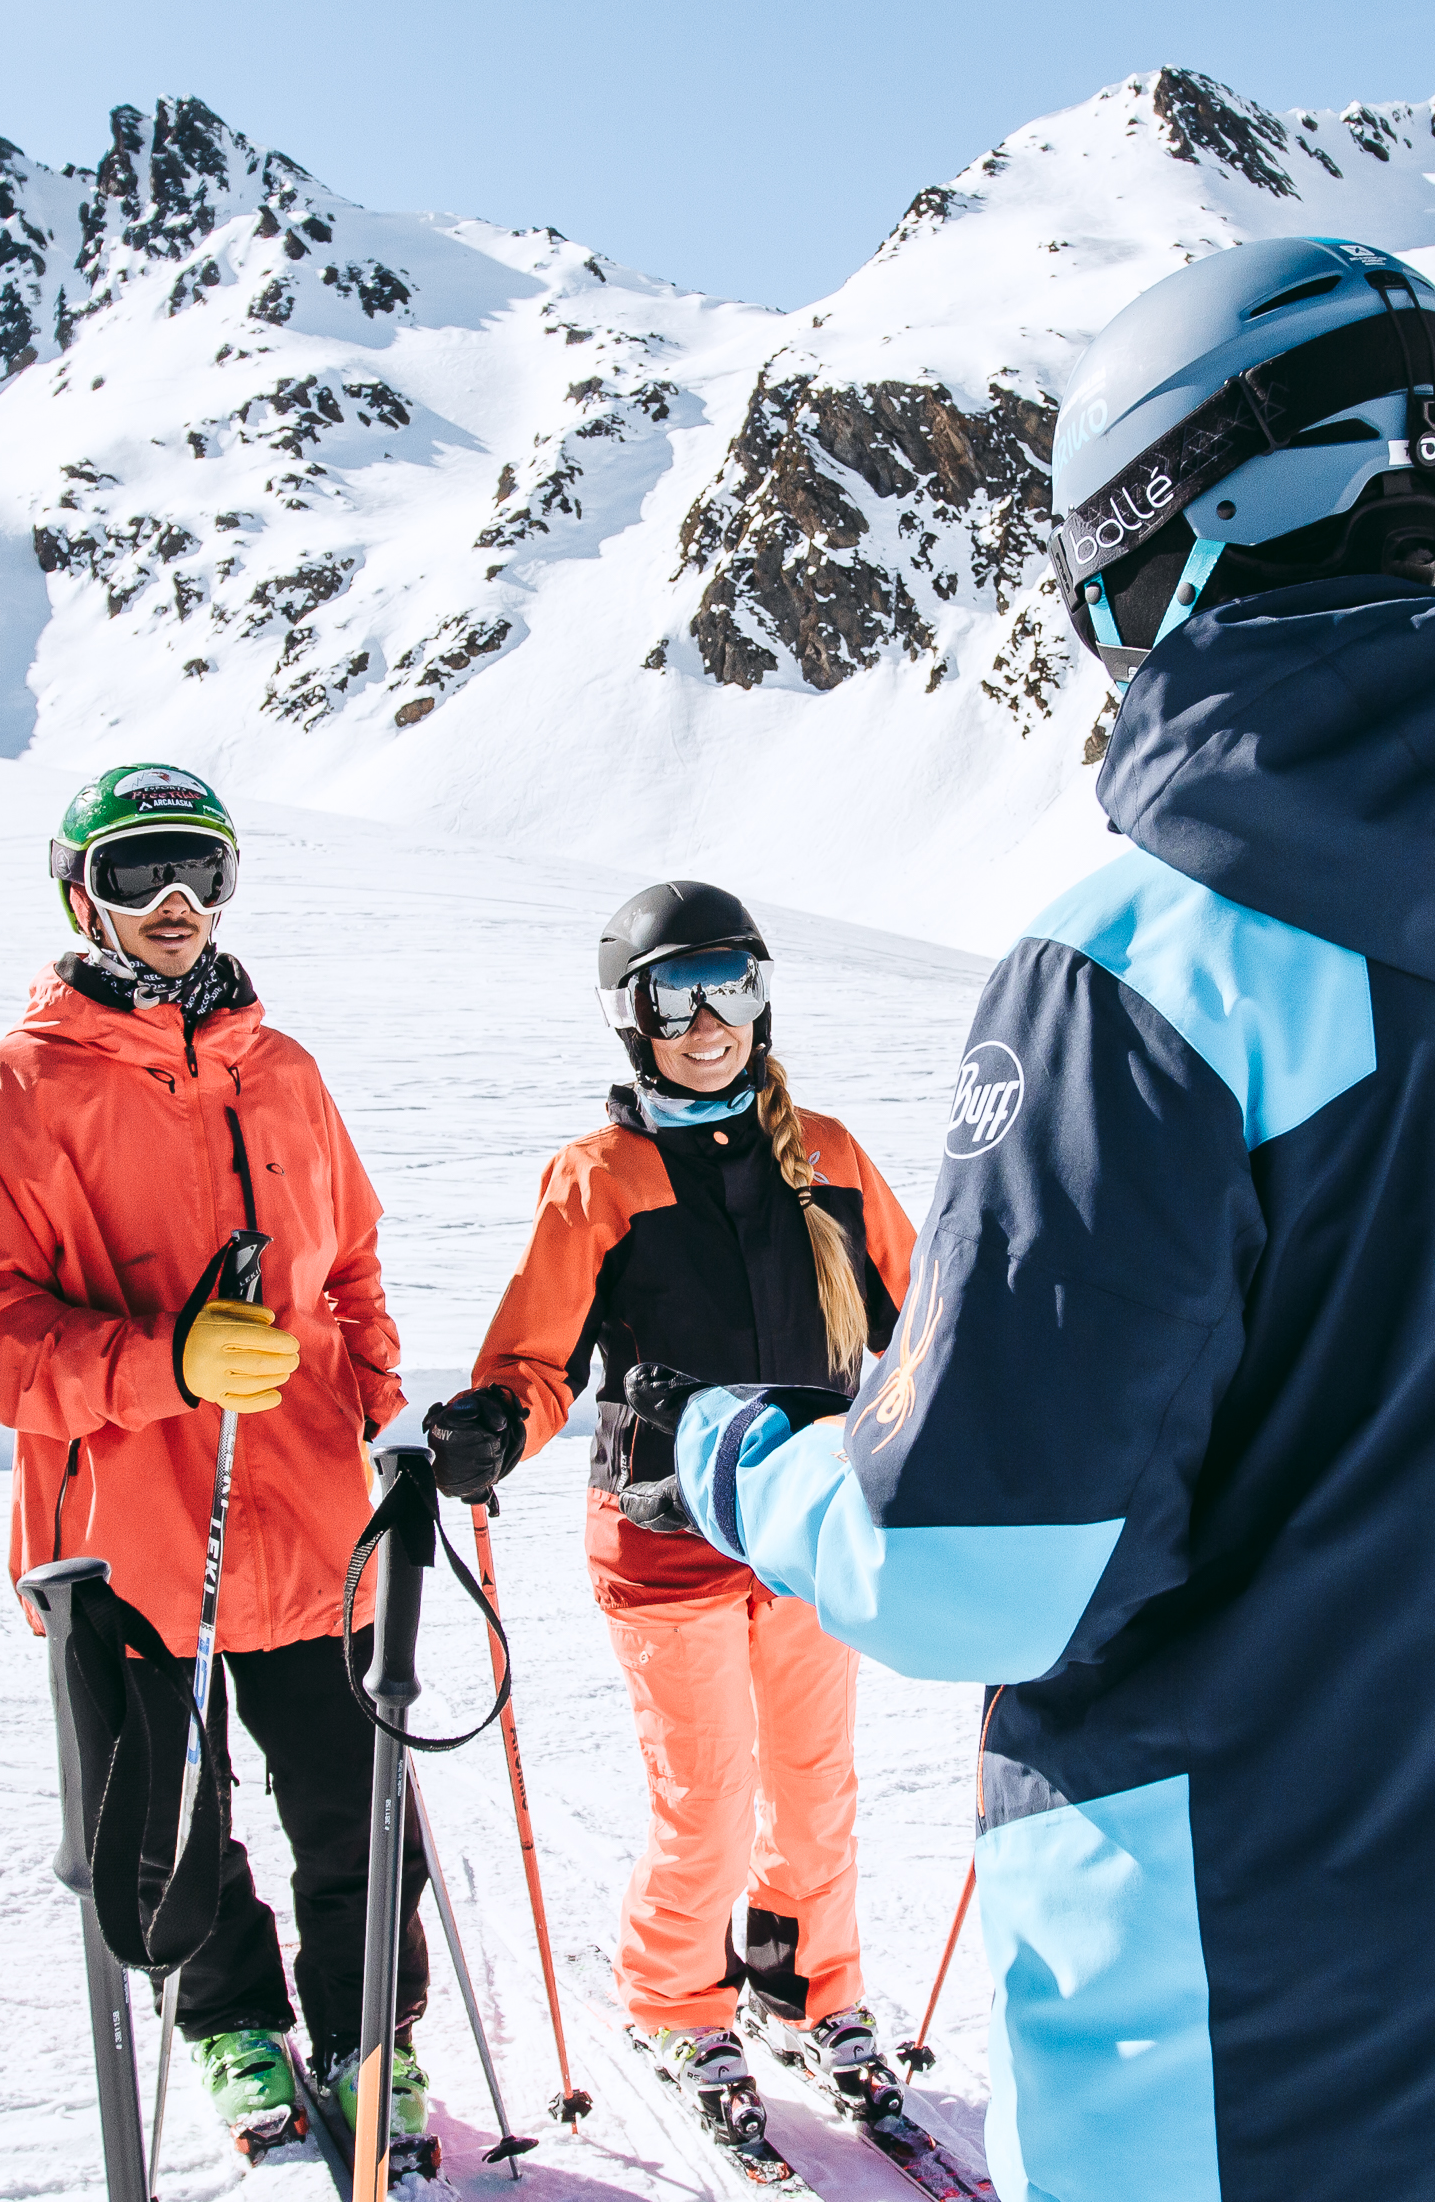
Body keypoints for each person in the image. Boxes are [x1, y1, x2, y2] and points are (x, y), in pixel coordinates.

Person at [617, 238, 1435, 2202]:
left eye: (1108, 580)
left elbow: (978, 1566)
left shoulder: (1156, 966)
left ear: (1178, 543)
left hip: (1263, 2074)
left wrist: (736, 1451)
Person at [0, 762, 430, 2165]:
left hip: (319, 1519)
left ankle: (368, 2035)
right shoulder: (20, 1084)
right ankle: (227, 2018)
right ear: (76, 888)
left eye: (201, 869)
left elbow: (353, 1267)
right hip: (134, 1537)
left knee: (357, 1807)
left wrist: (382, 1416)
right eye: (142, 868)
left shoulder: (285, 1070)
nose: (173, 900)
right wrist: (166, 1366)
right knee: (168, 1824)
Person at [424, 882, 915, 2134]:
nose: (708, 1021)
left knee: (812, 1776)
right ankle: (674, 2002)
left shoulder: (834, 1159)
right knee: (706, 1783)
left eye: (730, 986)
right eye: (673, 996)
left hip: (810, 1523)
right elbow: (536, 1361)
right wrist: (494, 1424)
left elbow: (920, 1324)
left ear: (761, 996)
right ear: (628, 1017)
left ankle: (806, 1989)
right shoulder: (598, 1176)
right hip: (663, 1529)